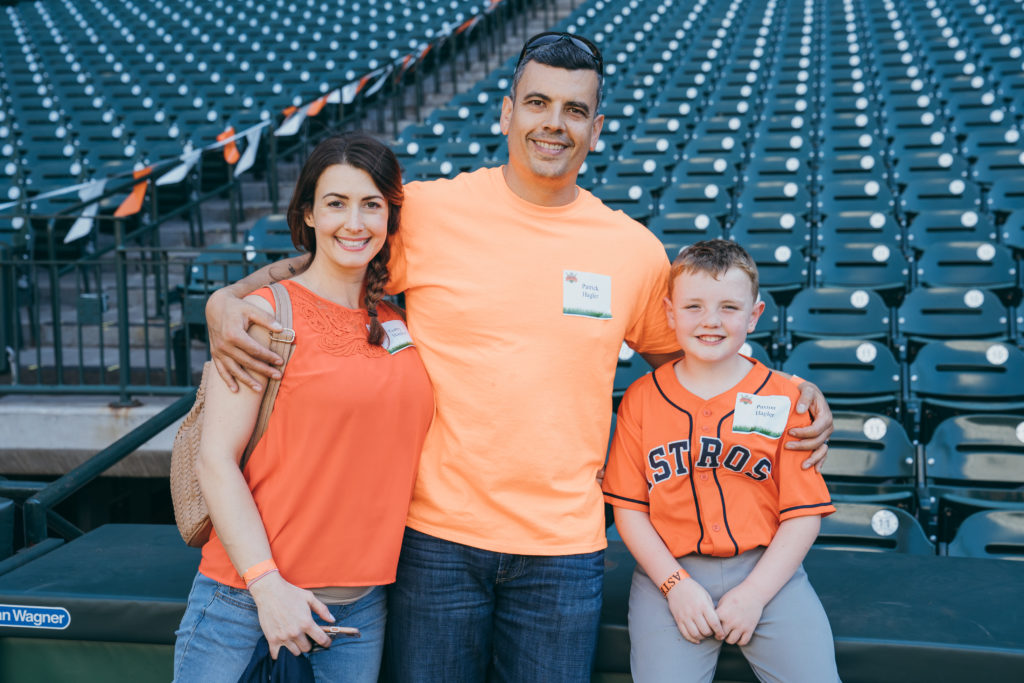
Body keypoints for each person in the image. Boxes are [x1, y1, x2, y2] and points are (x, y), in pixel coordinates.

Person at [203, 33, 834, 682]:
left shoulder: (632, 250)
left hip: (561, 550)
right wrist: (229, 298)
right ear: (507, 114)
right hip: (436, 538)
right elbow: (327, 262)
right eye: (537, 102)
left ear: (596, 128)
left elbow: (707, 351)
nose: (553, 122)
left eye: (574, 109)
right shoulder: (426, 213)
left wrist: (794, 388)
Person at [173, 133, 435, 682]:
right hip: (247, 600)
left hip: (359, 607)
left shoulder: (399, 317)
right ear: (309, 214)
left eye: (372, 204)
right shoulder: (264, 317)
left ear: (391, 216)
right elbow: (215, 460)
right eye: (336, 203)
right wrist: (267, 586)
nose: (355, 222)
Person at [603, 240, 840, 682]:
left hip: (769, 575)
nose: (710, 321)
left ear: (754, 315)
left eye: (729, 307)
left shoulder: (786, 398)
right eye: (693, 306)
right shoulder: (640, 399)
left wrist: (754, 594)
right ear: (670, 313)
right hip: (668, 576)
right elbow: (629, 511)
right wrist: (675, 587)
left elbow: (803, 517)